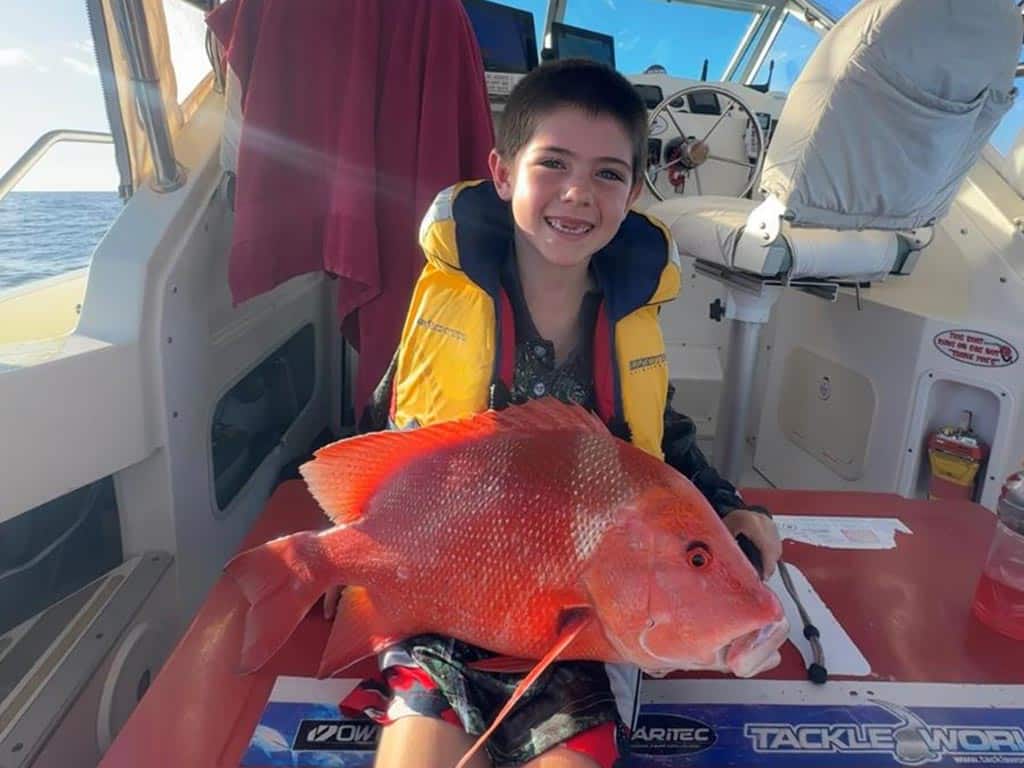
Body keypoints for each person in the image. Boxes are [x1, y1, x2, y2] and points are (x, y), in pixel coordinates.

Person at [331, 59, 782, 768]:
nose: (577, 194)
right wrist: (348, 554)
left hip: (577, 607)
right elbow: (384, 433)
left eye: (607, 174)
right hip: (442, 586)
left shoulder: (627, 318)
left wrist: (729, 507)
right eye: (554, 164)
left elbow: (665, 444)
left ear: (634, 191)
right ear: (504, 173)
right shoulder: (455, 306)